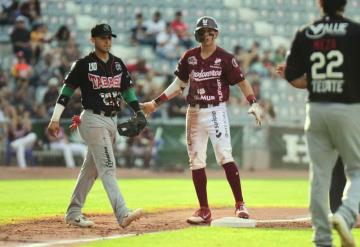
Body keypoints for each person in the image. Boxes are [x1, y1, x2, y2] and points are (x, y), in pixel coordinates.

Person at [141, 16, 261, 224]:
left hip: (216, 110)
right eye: (202, 32)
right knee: (196, 160)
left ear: (216, 33)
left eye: (210, 31)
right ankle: (204, 210)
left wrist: (253, 102)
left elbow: (241, 82)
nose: (206, 35)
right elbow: (178, 84)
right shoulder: (190, 57)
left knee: (224, 156)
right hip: (194, 112)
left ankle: (240, 204)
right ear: (197, 35)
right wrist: (155, 103)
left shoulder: (225, 57)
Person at [276, 1, 360, 246]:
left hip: (316, 108)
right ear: (344, 4)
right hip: (348, 107)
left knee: (319, 175)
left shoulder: (306, 32)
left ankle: (322, 238)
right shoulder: (355, 32)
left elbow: (293, 75)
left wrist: (305, 77)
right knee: (357, 170)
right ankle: (345, 215)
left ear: (319, 4)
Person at [47, 23, 146, 228]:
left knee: (90, 170)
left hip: (112, 120)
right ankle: (122, 213)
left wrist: (138, 111)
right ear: (93, 40)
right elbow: (66, 92)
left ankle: (73, 213)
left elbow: (127, 91)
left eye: (109, 37)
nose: (107, 41)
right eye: (103, 38)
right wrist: (55, 118)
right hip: (92, 119)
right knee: (108, 167)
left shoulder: (118, 64)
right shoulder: (83, 64)